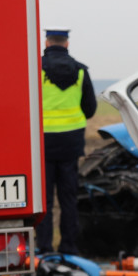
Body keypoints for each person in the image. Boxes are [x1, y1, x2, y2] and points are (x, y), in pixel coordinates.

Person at [37, 28, 97, 255]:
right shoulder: (81, 72)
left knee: (44, 201)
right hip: (71, 144)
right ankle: (68, 248)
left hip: (43, 145)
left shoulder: (35, 69)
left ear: (46, 41)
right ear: (67, 43)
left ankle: (43, 249)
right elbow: (90, 109)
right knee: (68, 199)